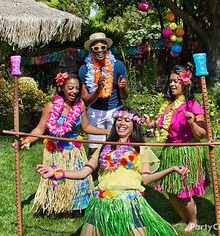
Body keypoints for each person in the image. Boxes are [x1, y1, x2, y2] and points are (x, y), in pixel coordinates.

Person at [36, 107, 190, 236]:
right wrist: (58, 172)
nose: (122, 123)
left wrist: (171, 169)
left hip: (129, 203)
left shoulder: (141, 149)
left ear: (134, 125)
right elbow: (83, 172)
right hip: (103, 202)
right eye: (119, 120)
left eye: (127, 120)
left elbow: (147, 179)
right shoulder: (105, 147)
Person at [18, 72, 110, 216]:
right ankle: (60, 206)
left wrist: (107, 131)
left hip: (73, 151)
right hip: (55, 151)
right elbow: (39, 129)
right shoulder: (51, 106)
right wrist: (26, 141)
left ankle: (78, 206)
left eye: (77, 88)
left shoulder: (80, 106)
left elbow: (86, 127)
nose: (74, 91)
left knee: (78, 180)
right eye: (71, 88)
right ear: (62, 87)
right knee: (58, 180)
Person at [143, 65, 209, 232]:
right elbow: (163, 131)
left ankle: (193, 220)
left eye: (176, 81)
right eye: (171, 81)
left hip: (186, 151)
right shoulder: (167, 104)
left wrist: (192, 122)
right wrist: (150, 125)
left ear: (185, 83)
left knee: (184, 192)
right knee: (171, 191)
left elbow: (202, 134)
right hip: (170, 150)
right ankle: (183, 217)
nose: (172, 84)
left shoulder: (192, 104)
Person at [78, 32, 129, 157]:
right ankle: (94, 174)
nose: (100, 51)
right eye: (96, 48)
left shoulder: (118, 65)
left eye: (103, 47)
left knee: (116, 144)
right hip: (95, 111)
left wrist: (123, 87)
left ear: (107, 48)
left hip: (115, 109)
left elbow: (125, 96)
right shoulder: (84, 70)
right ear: (91, 50)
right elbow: (86, 100)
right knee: (94, 147)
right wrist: (98, 89)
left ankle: (114, 171)